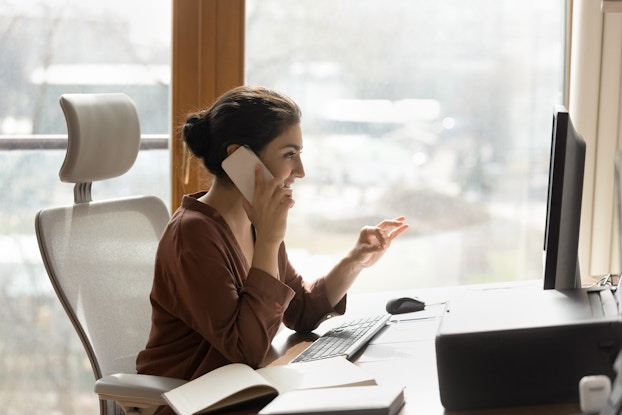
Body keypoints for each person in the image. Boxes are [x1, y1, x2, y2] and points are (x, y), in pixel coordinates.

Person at [136, 86, 408, 411]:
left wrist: (356, 260)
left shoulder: (255, 221)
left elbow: (302, 310)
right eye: (289, 154)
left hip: (247, 395)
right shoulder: (193, 234)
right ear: (239, 157)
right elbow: (244, 349)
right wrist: (268, 239)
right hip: (195, 403)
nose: (301, 171)